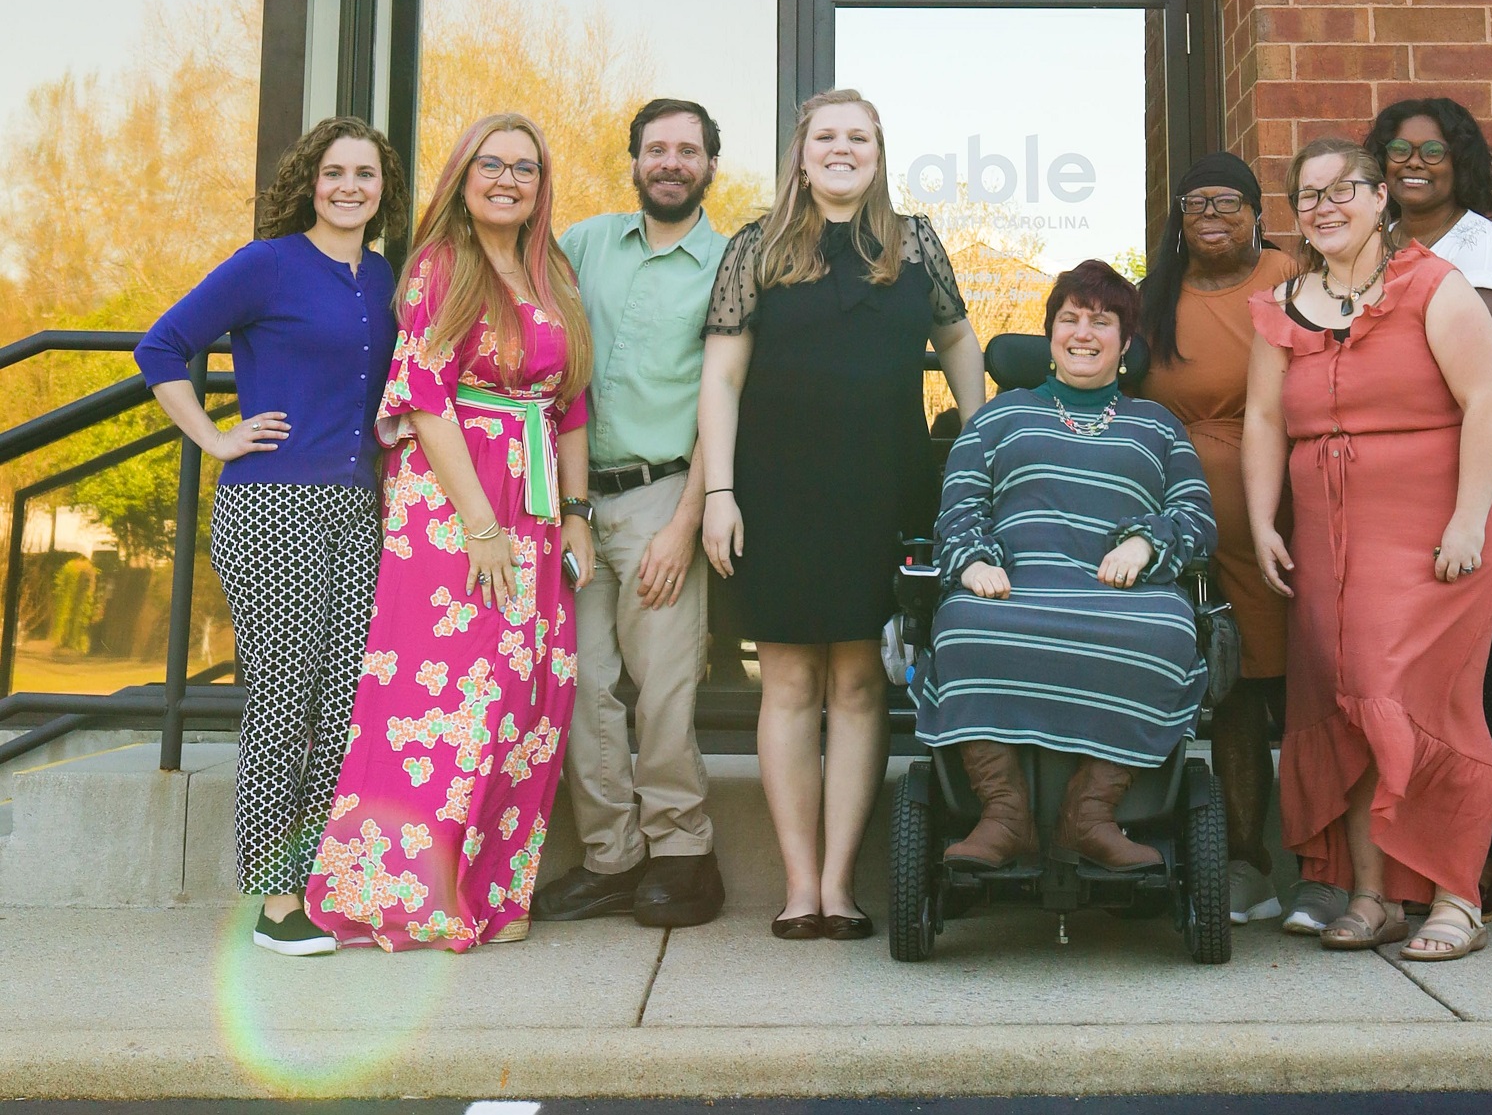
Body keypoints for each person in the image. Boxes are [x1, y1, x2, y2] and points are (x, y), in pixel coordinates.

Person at [699, 88, 986, 941]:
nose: (841, 148)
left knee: (861, 683)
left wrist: (980, 448)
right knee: (787, 680)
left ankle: (840, 885)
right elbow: (720, 378)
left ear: (878, 152)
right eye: (826, 135)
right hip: (776, 490)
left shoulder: (915, 241)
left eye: (857, 137)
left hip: (885, 488)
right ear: (800, 151)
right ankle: (796, 887)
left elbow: (960, 342)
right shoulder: (758, 245)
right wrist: (719, 492)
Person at [304, 113, 594, 951]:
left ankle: (493, 892)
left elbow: (570, 403)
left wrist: (575, 514)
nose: (508, 179)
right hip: (454, 504)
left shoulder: (553, 271)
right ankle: (408, 895)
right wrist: (479, 525)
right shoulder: (440, 266)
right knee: (446, 699)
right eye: (492, 164)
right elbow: (425, 399)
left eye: (525, 168)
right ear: (463, 177)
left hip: (536, 506)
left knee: (530, 699)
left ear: (542, 186)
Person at [136, 117, 407, 957]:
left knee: (342, 707)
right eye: (334, 172)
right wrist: (215, 437)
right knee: (284, 702)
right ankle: (270, 896)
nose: (349, 186)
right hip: (273, 506)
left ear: (382, 188)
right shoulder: (269, 263)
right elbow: (162, 346)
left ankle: (318, 877)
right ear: (310, 182)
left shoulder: (383, 278)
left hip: (354, 509)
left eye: (365, 173)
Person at [1241, 138, 1492, 962]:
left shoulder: (1433, 284)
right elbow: (1260, 420)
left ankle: (1456, 895)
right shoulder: (1284, 301)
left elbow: (1485, 401)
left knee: (1412, 700)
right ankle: (1372, 893)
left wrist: (1468, 519)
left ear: (1380, 196)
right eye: (1306, 195)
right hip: (1328, 543)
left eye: (1341, 190)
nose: (1323, 206)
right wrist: (1261, 522)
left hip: (1435, 538)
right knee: (1347, 701)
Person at [913, 261, 1216, 872]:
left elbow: (1196, 517)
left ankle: (1090, 814)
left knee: (1169, 635)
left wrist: (1144, 545)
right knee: (962, 628)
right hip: (1012, 586)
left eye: (1101, 321)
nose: (1084, 332)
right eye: (1070, 319)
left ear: (1125, 344)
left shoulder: (1156, 426)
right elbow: (960, 502)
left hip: (1125, 596)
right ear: (1050, 334)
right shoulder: (1002, 416)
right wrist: (971, 559)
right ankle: (1003, 816)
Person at [536, 99, 728, 928]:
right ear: (635, 161)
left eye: (688, 150)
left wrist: (686, 521)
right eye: (657, 149)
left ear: (711, 166)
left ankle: (683, 853)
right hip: (575, 498)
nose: (671, 162)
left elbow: (729, 403)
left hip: (664, 494)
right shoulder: (580, 245)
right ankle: (611, 855)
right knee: (582, 684)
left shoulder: (729, 262)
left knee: (663, 688)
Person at [1365, 98, 1492, 922]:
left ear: (1458, 158)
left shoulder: (1483, 246)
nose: (1412, 161)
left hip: (1485, 478)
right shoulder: (1370, 240)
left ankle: (1480, 856)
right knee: (1399, 671)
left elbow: (1435, 343)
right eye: (1396, 149)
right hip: (1393, 483)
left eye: (1431, 149)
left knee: (1475, 667)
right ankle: (1401, 856)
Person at [1137, 152, 1299, 926]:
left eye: (1228, 201)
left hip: (1285, 520)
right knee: (1229, 690)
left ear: (1256, 212)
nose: (1210, 214)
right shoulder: (1154, 295)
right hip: (1184, 533)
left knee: (1301, 689)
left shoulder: (1288, 277)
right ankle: (1241, 860)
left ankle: (1328, 862)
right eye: (1194, 200)